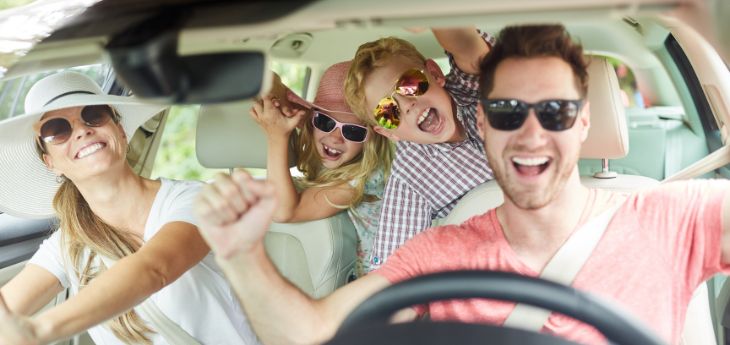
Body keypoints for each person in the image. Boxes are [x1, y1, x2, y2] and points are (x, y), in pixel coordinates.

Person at [194, 24, 730, 345]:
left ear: (584, 119)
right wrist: (241, 255)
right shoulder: (439, 247)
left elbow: (473, 54)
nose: (527, 131)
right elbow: (319, 326)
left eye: (552, 110)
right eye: (505, 113)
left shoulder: (668, 215)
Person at [0, 72, 259, 345]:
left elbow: (154, 270)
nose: (82, 131)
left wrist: (40, 330)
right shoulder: (67, 244)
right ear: (49, 162)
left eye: (94, 114)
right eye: (57, 130)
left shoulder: (194, 200)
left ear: (121, 132)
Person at [343, 28, 496, 268]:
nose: (407, 105)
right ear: (388, 132)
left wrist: (436, 13)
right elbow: (394, 270)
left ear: (435, 74)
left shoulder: (472, 90)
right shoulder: (410, 175)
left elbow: (469, 49)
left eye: (409, 84)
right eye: (387, 111)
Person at [249, 61, 393, 275]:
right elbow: (261, 78)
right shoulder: (336, 152)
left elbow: (283, 212)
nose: (335, 138)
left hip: (388, 290)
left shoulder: (364, 180)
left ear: (371, 139)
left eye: (353, 131)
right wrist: (278, 91)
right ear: (311, 121)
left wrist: (277, 136)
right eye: (325, 122)